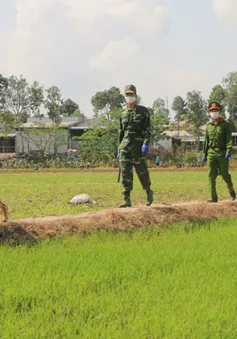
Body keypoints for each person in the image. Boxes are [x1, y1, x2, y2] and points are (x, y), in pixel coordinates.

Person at [117, 84, 153, 207]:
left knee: (142, 172)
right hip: (125, 147)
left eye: (131, 94)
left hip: (138, 148)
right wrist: (119, 148)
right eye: (127, 94)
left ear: (135, 96)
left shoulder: (143, 111)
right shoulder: (122, 113)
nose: (129, 96)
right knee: (125, 173)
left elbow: (147, 129)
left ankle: (148, 191)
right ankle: (126, 199)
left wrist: (145, 143)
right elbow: (121, 132)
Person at [202, 102, 236, 202]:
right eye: (212, 111)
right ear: (209, 113)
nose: (214, 112)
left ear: (220, 112)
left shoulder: (225, 125)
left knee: (224, 174)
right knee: (211, 175)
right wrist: (205, 154)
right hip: (211, 152)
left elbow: (229, 139)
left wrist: (229, 150)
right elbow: (206, 141)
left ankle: (232, 191)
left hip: (222, 153)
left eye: (216, 110)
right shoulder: (208, 126)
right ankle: (213, 197)